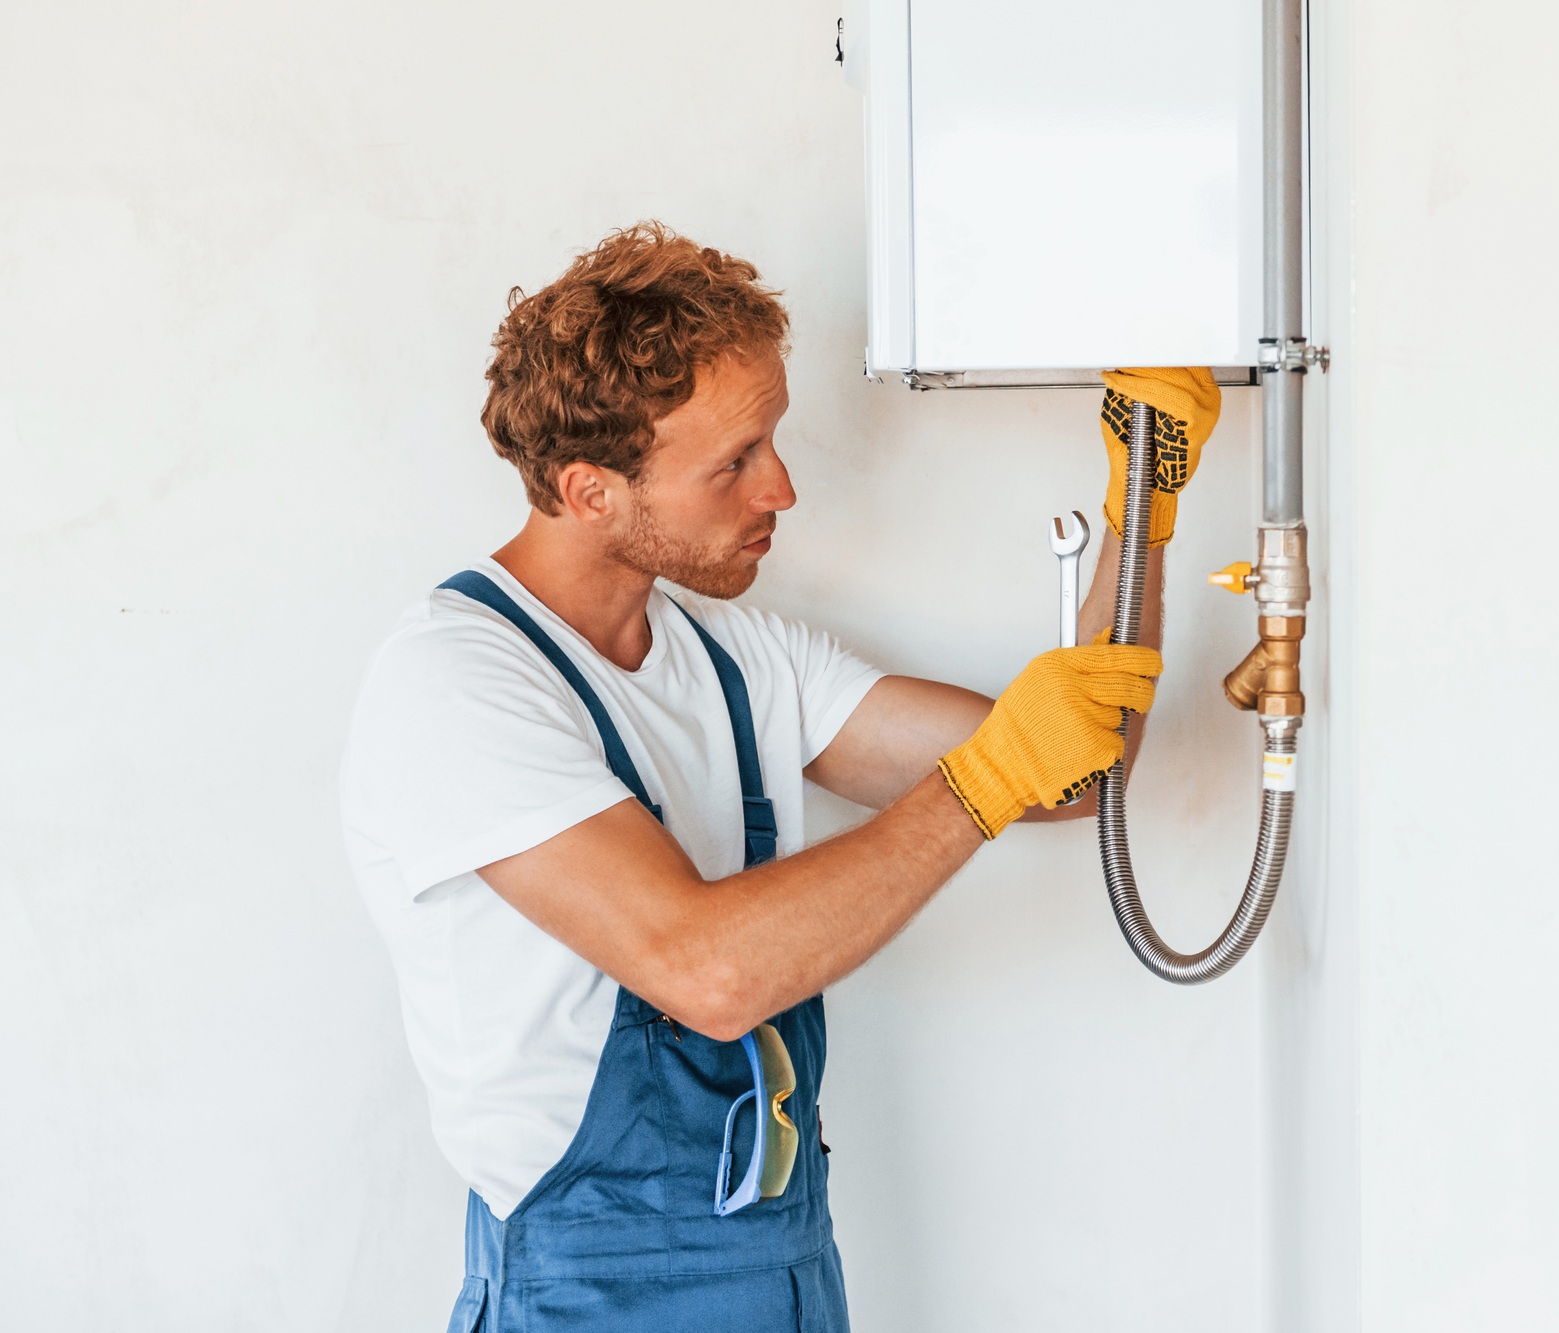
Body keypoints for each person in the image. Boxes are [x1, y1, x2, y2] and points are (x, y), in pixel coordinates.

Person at [339, 221, 1219, 1333]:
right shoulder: (458, 684)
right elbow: (702, 971)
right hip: (593, 1294)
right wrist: (984, 780)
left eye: (773, 442)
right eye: (735, 461)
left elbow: (1071, 776)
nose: (783, 489)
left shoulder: (736, 659)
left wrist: (1143, 498)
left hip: (786, 1267)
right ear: (589, 488)